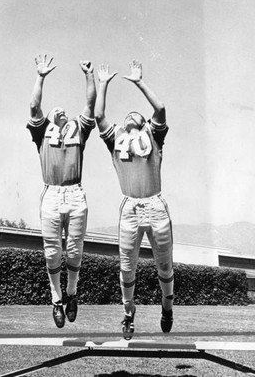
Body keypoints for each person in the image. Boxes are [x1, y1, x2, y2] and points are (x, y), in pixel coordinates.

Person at [95, 59, 174, 339]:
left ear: (142, 123)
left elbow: (161, 108)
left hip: (155, 204)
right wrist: (103, 84)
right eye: (127, 114)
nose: (130, 115)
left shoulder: (153, 135)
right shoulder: (116, 138)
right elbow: (99, 116)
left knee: (164, 265)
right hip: (129, 206)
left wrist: (139, 81)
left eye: (135, 114)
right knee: (126, 267)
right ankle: (128, 314)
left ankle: (167, 306)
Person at [27, 54, 96, 328]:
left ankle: (71, 293)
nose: (59, 111)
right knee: (53, 252)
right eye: (54, 110)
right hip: (52, 193)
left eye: (62, 111)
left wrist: (89, 75)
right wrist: (41, 76)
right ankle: (56, 299)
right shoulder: (42, 131)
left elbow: (90, 105)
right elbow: (34, 105)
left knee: (75, 250)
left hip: (75, 193)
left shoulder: (78, 129)